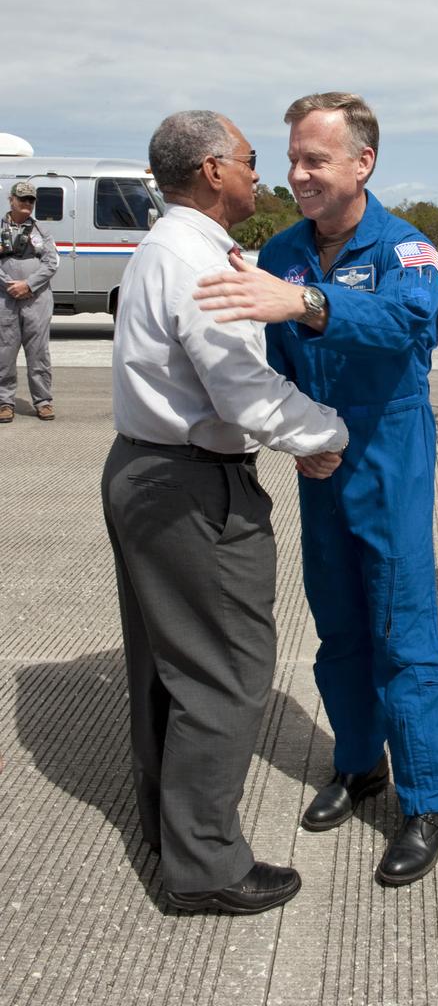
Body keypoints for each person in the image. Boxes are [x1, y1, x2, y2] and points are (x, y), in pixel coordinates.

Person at [194, 92, 438, 887]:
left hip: (389, 447)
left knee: (399, 628)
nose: (297, 174)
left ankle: (427, 800)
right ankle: (358, 763)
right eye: (292, 159)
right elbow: (264, 357)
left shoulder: (408, 250)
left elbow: (406, 329)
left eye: (315, 159)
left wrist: (305, 302)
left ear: (361, 164)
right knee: (338, 622)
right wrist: (293, 430)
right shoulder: (281, 247)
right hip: (323, 457)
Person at [101, 110, 349, 915]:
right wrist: (325, 431)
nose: (260, 175)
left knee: (166, 668)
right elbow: (239, 390)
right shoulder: (201, 263)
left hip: (143, 470)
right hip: (192, 487)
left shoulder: (164, 247)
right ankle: (205, 864)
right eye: (248, 160)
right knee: (227, 675)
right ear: (212, 170)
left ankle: (169, 826)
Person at [0, 180, 59, 423]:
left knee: (38, 351)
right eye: (22, 198)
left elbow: (51, 262)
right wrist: (9, 285)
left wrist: (28, 284)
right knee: (4, 350)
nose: (26, 203)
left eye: (30, 200)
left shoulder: (42, 232)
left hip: (37, 298)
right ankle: (4, 402)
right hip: (5, 298)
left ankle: (43, 401)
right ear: (11, 199)